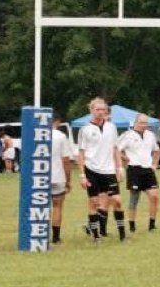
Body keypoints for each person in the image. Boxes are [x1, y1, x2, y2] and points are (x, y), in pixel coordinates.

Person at [78, 98, 126, 241]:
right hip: (91, 170)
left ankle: (123, 235)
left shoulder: (112, 127)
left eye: (103, 109)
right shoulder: (85, 129)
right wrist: (82, 175)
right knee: (94, 202)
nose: (100, 112)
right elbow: (81, 153)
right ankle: (95, 236)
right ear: (91, 110)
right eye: (97, 109)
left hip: (109, 171)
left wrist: (120, 167)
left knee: (117, 200)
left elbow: (115, 148)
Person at [118, 113, 160, 233]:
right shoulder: (128, 135)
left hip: (148, 170)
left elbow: (157, 151)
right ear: (135, 122)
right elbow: (117, 149)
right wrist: (125, 158)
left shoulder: (150, 135)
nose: (144, 125)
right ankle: (132, 225)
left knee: (154, 196)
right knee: (134, 199)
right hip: (134, 170)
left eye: (146, 123)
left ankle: (152, 225)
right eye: (142, 122)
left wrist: (154, 165)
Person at [50, 116, 73, 244]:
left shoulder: (35, 135)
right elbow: (66, 160)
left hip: (39, 176)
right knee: (57, 206)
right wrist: (68, 180)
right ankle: (56, 237)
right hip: (57, 176)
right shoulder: (61, 136)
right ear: (57, 122)